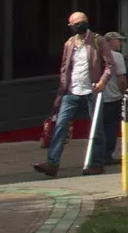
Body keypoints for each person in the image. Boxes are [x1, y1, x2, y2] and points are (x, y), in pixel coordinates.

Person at [34, 12, 115, 178]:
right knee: (61, 125)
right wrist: (61, 91)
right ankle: (52, 163)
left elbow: (109, 65)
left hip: (92, 91)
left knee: (96, 128)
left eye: (80, 22)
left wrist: (102, 82)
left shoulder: (98, 41)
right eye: (74, 23)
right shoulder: (70, 43)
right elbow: (64, 68)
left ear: (86, 22)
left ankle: (97, 164)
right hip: (72, 91)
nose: (77, 26)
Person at [97, 32, 128, 164]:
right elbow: (122, 78)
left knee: (99, 127)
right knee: (110, 127)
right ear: (110, 41)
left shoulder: (96, 55)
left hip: (97, 97)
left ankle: (96, 155)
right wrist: (124, 92)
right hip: (113, 97)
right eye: (118, 41)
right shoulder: (117, 56)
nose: (120, 43)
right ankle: (107, 155)